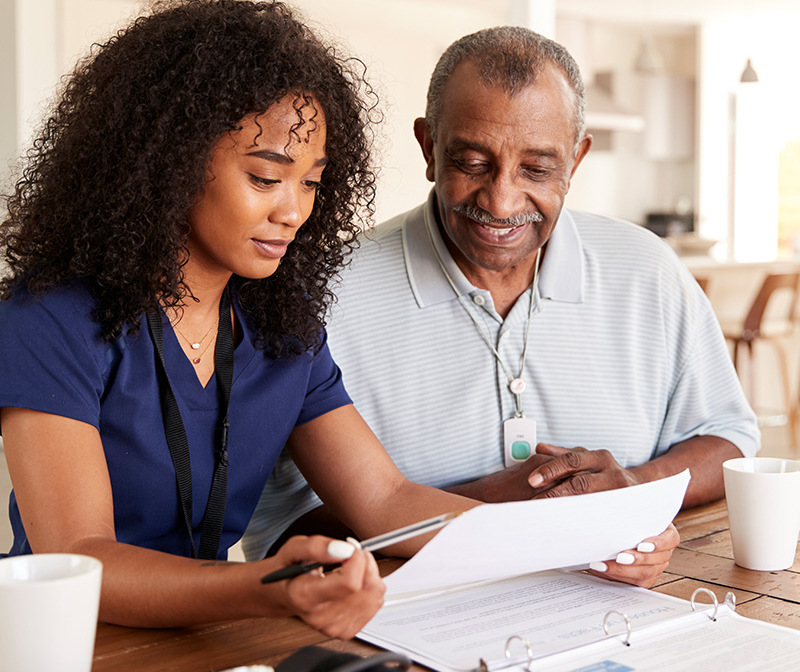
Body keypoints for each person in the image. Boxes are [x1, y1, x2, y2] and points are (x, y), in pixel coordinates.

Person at [0, 0, 488, 634]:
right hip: (64, 644)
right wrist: (272, 585)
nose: (293, 212)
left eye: (311, 183)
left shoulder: (283, 329)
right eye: (265, 177)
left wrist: (565, 545)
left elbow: (385, 499)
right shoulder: (49, 318)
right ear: (168, 160)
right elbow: (80, 559)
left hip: (206, 640)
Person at [243, 27, 758, 561]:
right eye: (472, 163)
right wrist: (491, 507)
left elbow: (729, 437)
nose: (502, 200)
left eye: (537, 168)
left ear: (576, 161)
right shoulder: (322, 291)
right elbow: (283, 530)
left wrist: (631, 490)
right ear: (428, 147)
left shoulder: (649, 270)